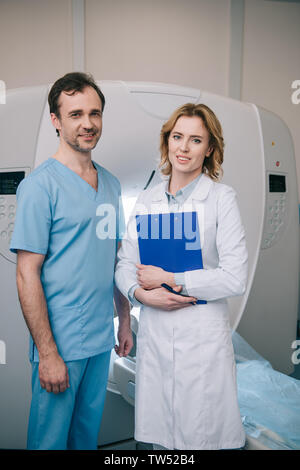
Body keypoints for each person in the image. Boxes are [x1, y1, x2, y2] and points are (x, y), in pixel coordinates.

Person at [10, 72, 133, 450]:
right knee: (49, 443)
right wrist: (48, 354)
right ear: (56, 120)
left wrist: (124, 320)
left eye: (94, 113)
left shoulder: (111, 184)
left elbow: (115, 258)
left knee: (85, 440)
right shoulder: (39, 186)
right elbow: (26, 273)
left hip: (100, 339)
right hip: (60, 342)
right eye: (76, 113)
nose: (88, 123)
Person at [115, 103, 248, 450]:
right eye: (177, 137)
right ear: (167, 141)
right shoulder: (146, 201)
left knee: (200, 436)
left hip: (202, 336)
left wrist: (173, 278)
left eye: (195, 140)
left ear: (209, 149)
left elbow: (235, 277)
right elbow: (124, 265)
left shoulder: (221, 199)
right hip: (157, 333)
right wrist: (140, 294)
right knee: (160, 442)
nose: (183, 148)